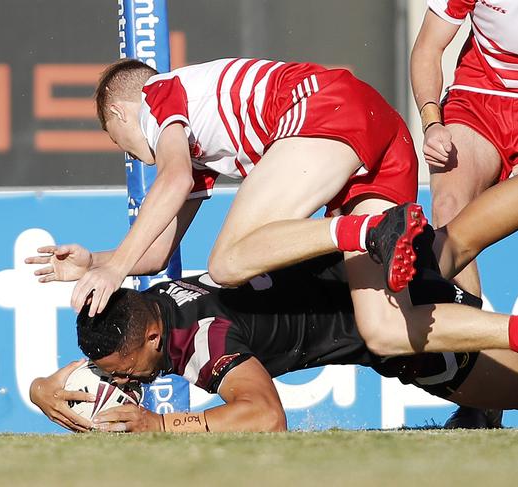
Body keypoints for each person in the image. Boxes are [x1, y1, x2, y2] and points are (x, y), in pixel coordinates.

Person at [41, 57, 518, 361]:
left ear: (123, 114)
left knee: (227, 263)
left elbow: (171, 179)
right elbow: (159, 253)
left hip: (327, 109)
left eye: (115, 138)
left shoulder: (156, 96)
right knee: (385, 331)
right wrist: (99, 262)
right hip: (376, 133)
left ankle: (365, 230)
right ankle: (511, 332)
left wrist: (115, 269)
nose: (126, 151)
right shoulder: (195, 151)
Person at [29, 255, 517, 433]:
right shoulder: (148, 304)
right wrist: (39, 388)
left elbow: (265, 416)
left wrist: (158, 425)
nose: (121, 381)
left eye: (121, 371)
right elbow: (118, 351)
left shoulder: (204, 341)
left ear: (154, 338)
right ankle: (480, 411)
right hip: (372, 273)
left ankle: (482, 407)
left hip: (410, 332)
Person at [410, 0, 518, 297]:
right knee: (448, 207)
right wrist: (432, 124)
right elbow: (428, 48)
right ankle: (469, 336)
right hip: (481, 96)